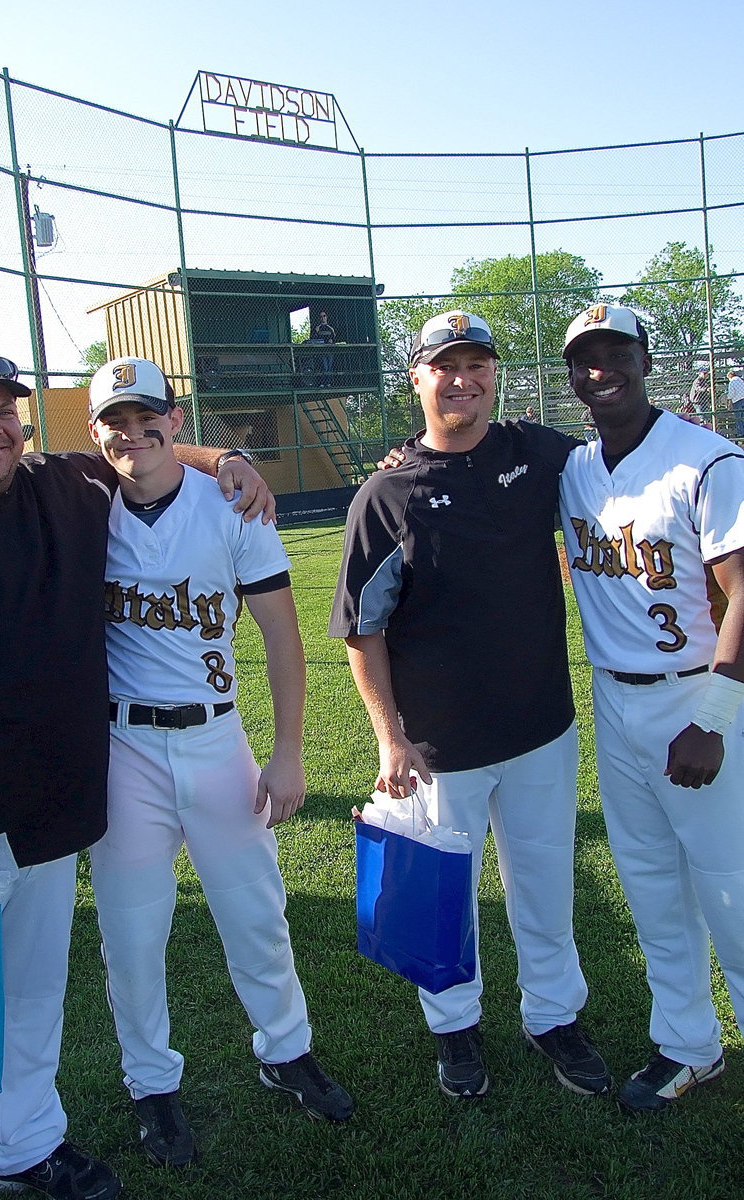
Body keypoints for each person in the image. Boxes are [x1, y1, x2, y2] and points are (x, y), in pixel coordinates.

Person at [0, 345, 273, 1200]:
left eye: (1, 412)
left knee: (31, 996)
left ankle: (21, 1147)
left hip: (47, 801)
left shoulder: (62, 483)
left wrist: (225, 456)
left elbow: (142, 449)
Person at [328, 310, 610, 1101]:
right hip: (437, 745)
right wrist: (388, 739)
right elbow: (361, 629)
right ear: (415, 379)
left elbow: (625, 463)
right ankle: (454, 1028)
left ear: (493, 374)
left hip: (539, 730)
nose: (461, 379)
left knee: (545, 889)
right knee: (440, 896)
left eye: (475, 363)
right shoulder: (386, 494)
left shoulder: (539, 452)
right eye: (443, 366)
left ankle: (553, 1016)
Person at [84, 357, 353, 1168]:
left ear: (175, 414)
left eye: (148, 415)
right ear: (95, 432)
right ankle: (150, 1086)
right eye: (115, 421)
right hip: (122, 746)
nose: (134, 433)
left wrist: (288, 751)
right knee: (131, 935)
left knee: (255, 913)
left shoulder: (233, 503)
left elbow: (280, 636)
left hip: (214, 737)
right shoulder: (81, 503)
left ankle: (285, 1050)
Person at [559, 305, 744, 1112]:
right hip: (614, 698)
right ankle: (687, 1046)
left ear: (644, 358)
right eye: (585, 359)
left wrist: (714, 718)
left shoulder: (705, 461)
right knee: (650, 891)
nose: (601, 370)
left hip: (693, 698)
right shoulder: (572, 467)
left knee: (730, 893)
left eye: (615, 354)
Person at [314, 311, 335, 382]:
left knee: (329, 367)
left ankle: (329, 382)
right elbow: (314, 339)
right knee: (324, 367)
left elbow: (334, 337)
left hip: (330, 350)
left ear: (326, 317)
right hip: (322, 351)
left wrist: (331, 340)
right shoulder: (317, 328)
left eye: (324, 316)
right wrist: (316, 332)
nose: (322, 318)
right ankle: (323, 382)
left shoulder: (330, 328)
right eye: (321, 316)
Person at [726, 368, 744, 439]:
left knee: (738, 417)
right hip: (743, 398)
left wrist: (728, 398)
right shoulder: (741, 380)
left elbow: (731, 393)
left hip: (737, 401)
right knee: (742, 416)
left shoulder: (732, 382)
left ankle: (740, 433)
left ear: (730, 376)